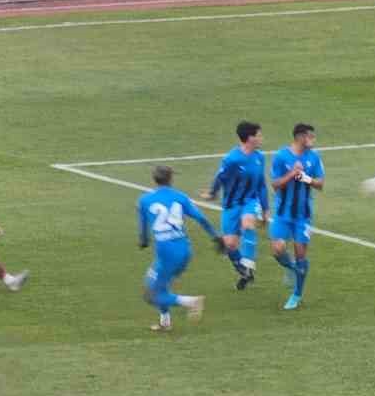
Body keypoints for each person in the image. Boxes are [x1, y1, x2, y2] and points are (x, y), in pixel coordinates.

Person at [139, 165, 220, 332]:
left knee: (151, 294)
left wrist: (144, 242)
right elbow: (201, 218)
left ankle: (191, 302)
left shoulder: (145, 200)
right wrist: (216, 236)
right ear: (171, 179)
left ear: (154, 180)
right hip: (184, 250)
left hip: (167, 254)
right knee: (161, 283)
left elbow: (143, 233)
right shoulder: (181, 197)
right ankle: (165, 322)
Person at [203, 121, 270, 290]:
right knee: (230, 245)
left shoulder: (259, 157)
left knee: (248, 224)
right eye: (259, 135)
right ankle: (245, 272)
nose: (262, 138)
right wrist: (212, 193)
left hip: (250, 200)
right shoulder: (232, 159)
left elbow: (261, 184)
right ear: (249, 138)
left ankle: (248, 261)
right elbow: (220, 178)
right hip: (231, 205)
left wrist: (266, 208)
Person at [269, 123, 325, 311]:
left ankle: (297, 294)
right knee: (277, 249)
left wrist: (307, 178)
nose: (313, 140)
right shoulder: (281, 156)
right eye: (311, 137)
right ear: (300, 137)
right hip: (283, 214)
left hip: (303, 216)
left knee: (301, 253)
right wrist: (292, 174)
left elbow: (320, 184)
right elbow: (275, 185)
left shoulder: (314, 157)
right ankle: (292, 268)